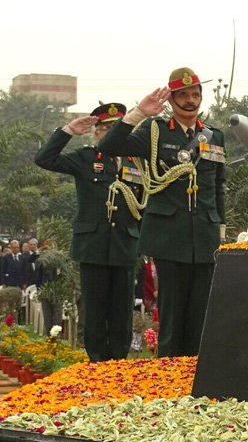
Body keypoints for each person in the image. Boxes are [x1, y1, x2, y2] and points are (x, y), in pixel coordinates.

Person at [99, 67, 226, 357]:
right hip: (169, 238)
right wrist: (138, 113)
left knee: (200, 316)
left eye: (195, 94)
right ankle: (169, 378)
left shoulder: (214, 136)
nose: (191, 101)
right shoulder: (154, 131)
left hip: (205, 237)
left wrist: (220, 230)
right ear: (171, 100)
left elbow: (218, 187)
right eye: (183, 95)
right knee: (171, 317)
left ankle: (194, 376)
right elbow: (109, 145)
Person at [35, 102, 141, 362]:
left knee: (121, 313)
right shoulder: (85, 158)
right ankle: (96, 363)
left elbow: (144, 202)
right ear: (96, 132)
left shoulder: (136, 161)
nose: (110, 133)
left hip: (125, 245)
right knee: (94, 312)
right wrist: (68, 130)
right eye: (105, 128)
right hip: (93, 246)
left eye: (116, 128)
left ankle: (118, 364)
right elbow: (44, 159)